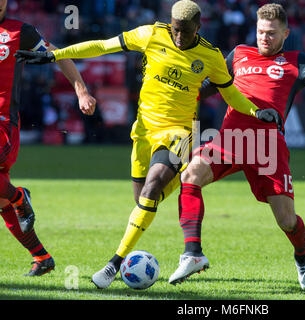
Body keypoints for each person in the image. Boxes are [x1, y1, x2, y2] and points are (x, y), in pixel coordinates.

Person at [16, 0, 281, 288]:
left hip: (181, 133)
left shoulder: (211, 55)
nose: (180, 37)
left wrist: (255, 111)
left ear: (199, 28)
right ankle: (180, 180)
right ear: (171, 23)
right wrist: (56, 56)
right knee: (142, 198)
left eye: (187, 32)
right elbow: (103, 46)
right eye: (176, 30)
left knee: (152, 188)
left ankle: (113, 264)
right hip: (142, 133)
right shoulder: (151, 34)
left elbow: (229, 93)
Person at [168, 3, 305, 289]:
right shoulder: (238, 54)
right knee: (190, 175)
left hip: (268, 148)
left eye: (272, 33)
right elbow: (208, 88)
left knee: (287, 221)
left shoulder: (295, 61)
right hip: (230, 139)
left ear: (286, 33)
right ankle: (192, 254)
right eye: (261, 32)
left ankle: (302, 255)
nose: (265, 38)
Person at [0, 0, 96, 276]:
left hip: (4, 126)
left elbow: (60, 55)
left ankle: (19, 198)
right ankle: (41, 256)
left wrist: (81, 91)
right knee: (1, 198)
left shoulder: (21, 32)